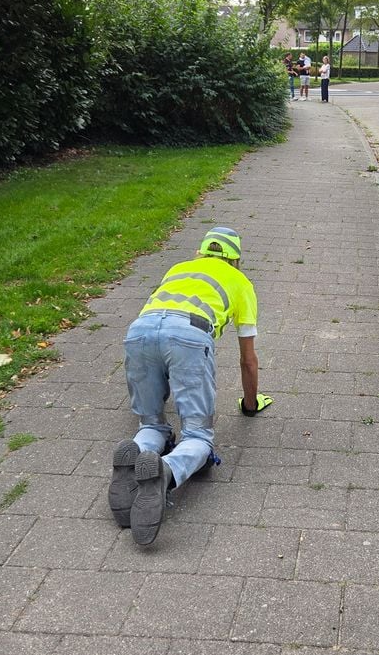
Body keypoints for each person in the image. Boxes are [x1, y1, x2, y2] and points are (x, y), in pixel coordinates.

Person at [109, 227, 273, 545]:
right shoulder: (241, 283)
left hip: (139, 330)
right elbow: (248, 360)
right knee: (198, 436)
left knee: (152, 423)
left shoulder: (178, 268)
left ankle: (138, 452)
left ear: (199, 253)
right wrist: (250, 405)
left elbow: (161, 325)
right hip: (189, 335)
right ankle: (166, 472)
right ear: (235, 260)